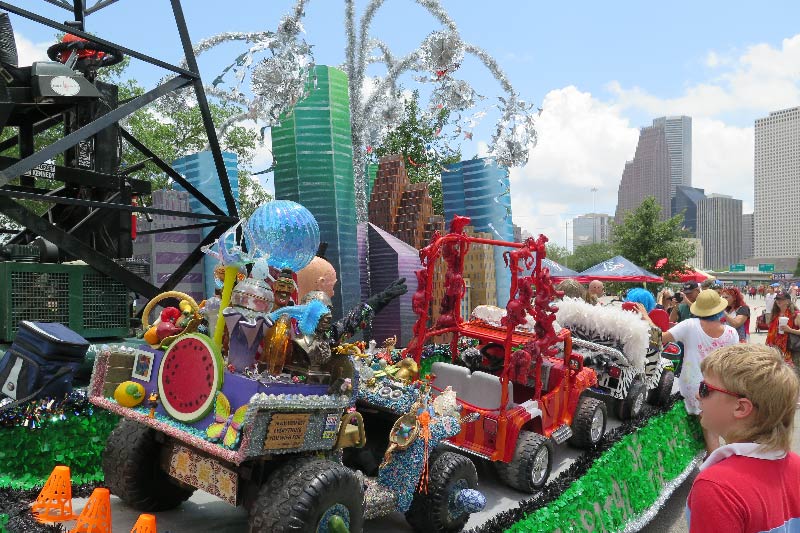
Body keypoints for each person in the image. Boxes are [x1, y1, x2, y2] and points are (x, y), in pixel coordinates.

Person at [686, 344, 800, 533]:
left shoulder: (717, 488)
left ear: (740, 408)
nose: (698, 395)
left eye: (705, 388)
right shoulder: (796, 466)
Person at [662, 289, 739, 452]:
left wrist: (646, 319)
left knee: (710, 433)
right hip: (721, 386)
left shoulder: (690, 325)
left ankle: (714, 470)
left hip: (694, 387)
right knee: (726, 430)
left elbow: (661, 338)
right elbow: (733, 363)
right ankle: (733, 465)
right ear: (719, 309)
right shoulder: (732, 333)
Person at [766, 290, 800, 371]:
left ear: (788, 301)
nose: (778, 301)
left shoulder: (796, 314)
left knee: (793, 374)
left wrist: (790, 330)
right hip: (774, 349)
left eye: (781, 299)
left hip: (791, 350)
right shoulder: (775, 314)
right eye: (777, 299)